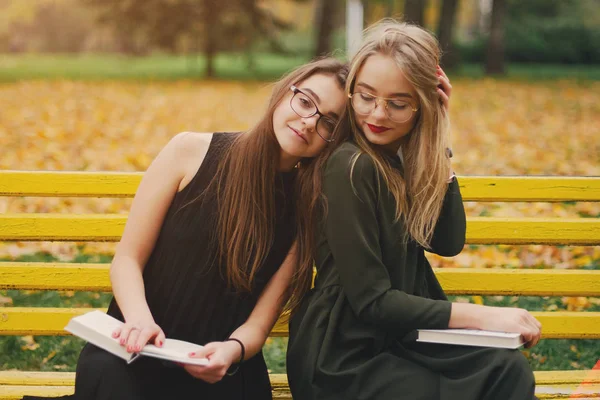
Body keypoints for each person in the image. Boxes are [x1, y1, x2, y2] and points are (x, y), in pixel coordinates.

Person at [23, 58, 348, 400]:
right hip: (132, 349)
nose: (309, 122)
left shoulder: (305, 210)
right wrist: (139, 321)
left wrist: (231, 351)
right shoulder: (189, 152)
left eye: (328, 122)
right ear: (285, 94)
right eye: (305, 101)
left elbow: (257, 325)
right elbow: (127, 260)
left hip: (215, 365)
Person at [287, 21, 542, 400]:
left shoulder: (396, 163)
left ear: (423, 105)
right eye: (366, 96)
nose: (377, 114)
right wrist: (487, 315)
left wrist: (438, 133)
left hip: (398, 339)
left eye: (399, 103)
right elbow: (372, 301)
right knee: (487, 382)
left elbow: (447, 240)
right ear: (351, 91)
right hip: (343, 356)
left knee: (507, 369)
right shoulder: (350, 166)